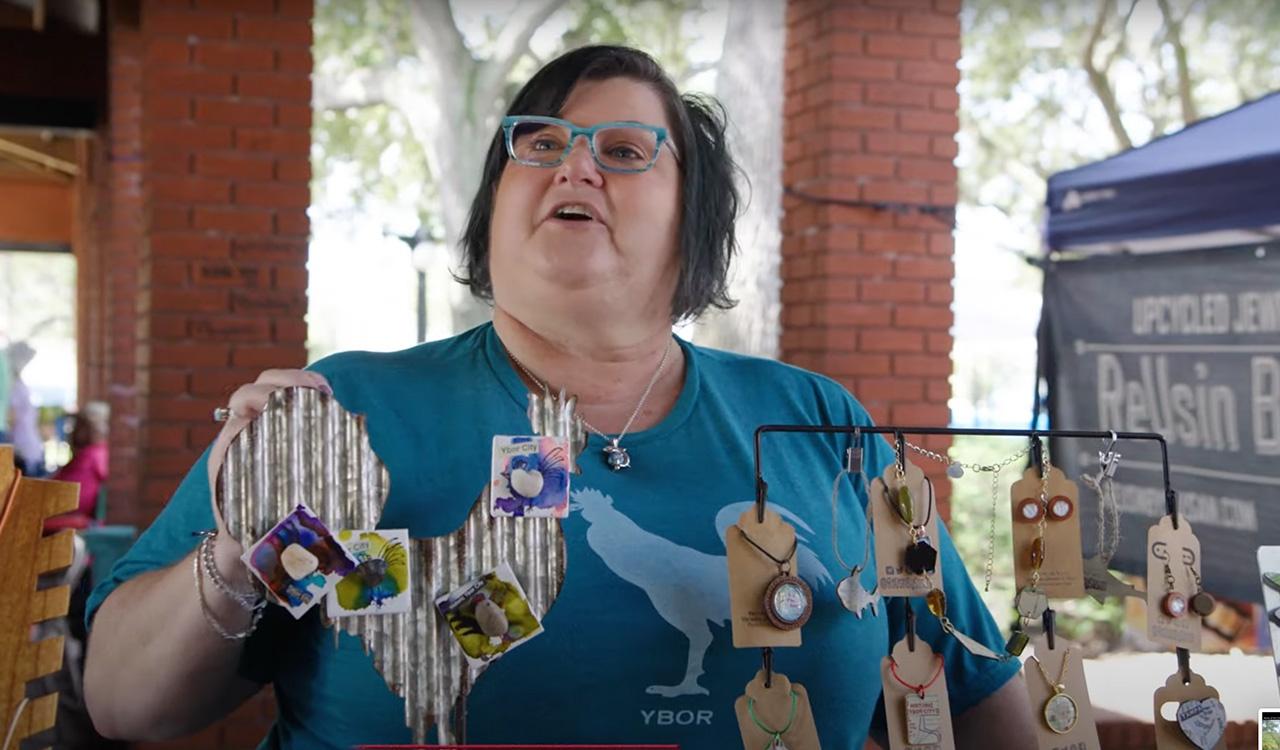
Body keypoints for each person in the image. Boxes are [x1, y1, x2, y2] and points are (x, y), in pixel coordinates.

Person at [83, 45, 1036, 748]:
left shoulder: (827, 428)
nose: (573, 164)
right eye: (537, 144)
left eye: (624, 150)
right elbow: (126, 706)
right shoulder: (336, 414)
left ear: (692, 220)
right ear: (494, 203)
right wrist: (243, 554)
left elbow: (982, 704)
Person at [46, 400, 110, 532]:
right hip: (58, 510)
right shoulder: (88, 453)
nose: (73, 431)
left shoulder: (96, 454)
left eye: (79, 426)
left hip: (70, 517)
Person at [7, 340, 44, 477]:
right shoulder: (17, 385)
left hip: (22, 447)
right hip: (28, 447)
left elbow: (12, 417)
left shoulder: (16, 386)